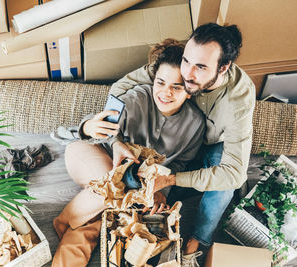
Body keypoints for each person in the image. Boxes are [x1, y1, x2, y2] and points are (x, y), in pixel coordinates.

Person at [110, 23, 256, 266]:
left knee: (225, 183)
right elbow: (119, 89)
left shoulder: (238, 99)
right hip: (175, 142)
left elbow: (234, 174)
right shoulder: (182, 63)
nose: (187, 72)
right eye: (187, 60)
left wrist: (173, 180)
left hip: (209, 148)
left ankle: (194, 243)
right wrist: (114, 139)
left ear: (223, 68)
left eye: (200, 67)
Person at [52, 39, 206, 267]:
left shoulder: (195, 124)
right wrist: (98, 133)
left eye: (176, 87)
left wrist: (163, 191)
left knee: (97, 223)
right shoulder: (138, 97)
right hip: (92, 156)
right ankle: (65, 220)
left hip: (131, 187)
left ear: (190, 91)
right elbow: (98, 127)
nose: (165, 92)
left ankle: (70, 239)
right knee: (113, 185)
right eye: (161, 83)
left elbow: (179, 165)